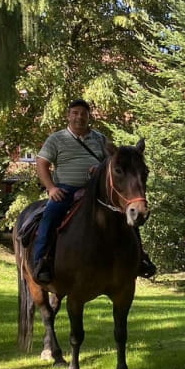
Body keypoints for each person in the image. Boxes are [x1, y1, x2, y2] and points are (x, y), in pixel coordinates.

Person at [32, 99, 155, 283]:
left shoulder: (100, 139)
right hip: (65, 190)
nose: (79, 117)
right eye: (75, 113)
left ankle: (139, 258)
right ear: (69, 115)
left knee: (127, 216)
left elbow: (113, 161)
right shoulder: (56, 139)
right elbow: (42, 163)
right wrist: (51, 188)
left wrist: (98, 167)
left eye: (83, 113)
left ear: (89, 117)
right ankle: (41, 262)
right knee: (50, 216)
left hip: (96, 190)